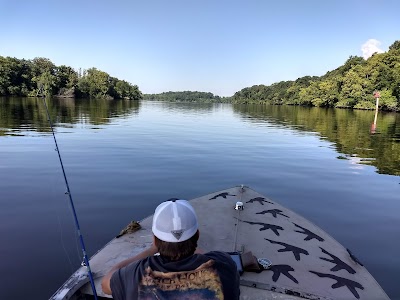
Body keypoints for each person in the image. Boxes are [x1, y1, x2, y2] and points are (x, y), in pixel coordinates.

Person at [101, 199, 240, 299]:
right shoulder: (224, 264)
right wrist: (190, 246)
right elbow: (208, 257)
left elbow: (105, 284)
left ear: (155, 239)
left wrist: (150, 251)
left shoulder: (134, 273)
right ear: (197, 235)